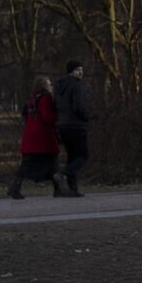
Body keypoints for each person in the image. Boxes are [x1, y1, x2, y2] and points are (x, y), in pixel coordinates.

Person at [7, 77, 63, 200]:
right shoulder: (46, 97)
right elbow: (47, 116)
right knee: (53, 162)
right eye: (49, 84)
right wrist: (58, 118)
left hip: (30, 137)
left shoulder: (32, 99)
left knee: (26, 164)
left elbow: (27, 117)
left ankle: (15, 187)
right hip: (43, 137)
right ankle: (59, 189)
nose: (51, 85)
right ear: (43, 86)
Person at [54, 59, 90, 197]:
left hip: (63, 126)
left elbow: (55, 105)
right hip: (76, 125)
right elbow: (78, 106)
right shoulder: (76, 85)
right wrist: (86, 116)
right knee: (83, 155)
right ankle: (63, 174)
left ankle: (72, 189)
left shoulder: (59, 86)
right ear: (71, 71)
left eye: (81, 69)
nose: (81, 72)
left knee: (72, 156)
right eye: (77, 69)